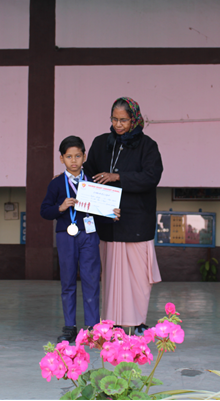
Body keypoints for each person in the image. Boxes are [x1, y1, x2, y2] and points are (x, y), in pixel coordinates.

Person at [84, 97, 163, 335]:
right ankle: (113, 324)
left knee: (138, 279)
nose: (118, 125)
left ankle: (138, 323)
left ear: (134, 120)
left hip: (136, 223)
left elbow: (151, 177)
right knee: (111, 278)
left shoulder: (147, 146)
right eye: (115, 119)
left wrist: (118, 177)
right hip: (108, 223)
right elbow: (88, 172)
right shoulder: (101, 143)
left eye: (124, 120)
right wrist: (70, 175)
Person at [41, 136, 120, 343]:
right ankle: (70, 327)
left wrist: (111, 214)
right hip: (65, 235)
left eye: (77, 156)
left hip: (89, 235)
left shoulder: (93, 183)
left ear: (84, 156)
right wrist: (60, 207)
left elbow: (99, 213)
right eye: (69, 157)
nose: (73, 160)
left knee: (91, 280)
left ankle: (93, 328)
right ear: (61, 159)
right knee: (67, 281)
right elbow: (44, 211)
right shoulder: (56, 184)